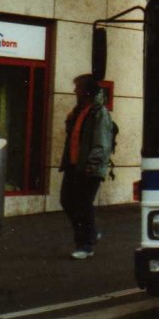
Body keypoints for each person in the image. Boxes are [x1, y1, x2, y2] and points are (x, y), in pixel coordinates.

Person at [59, 74, 114, 259]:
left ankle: (85, 245)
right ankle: (89, 235)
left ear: (87, 90)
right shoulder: (79, 111)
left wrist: (93, 164)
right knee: (67, 201)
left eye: (78, 87)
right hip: (74, 165)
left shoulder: (99, 113)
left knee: (82, 204)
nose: (75, 91)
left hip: (89, 167)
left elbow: (102, 142)